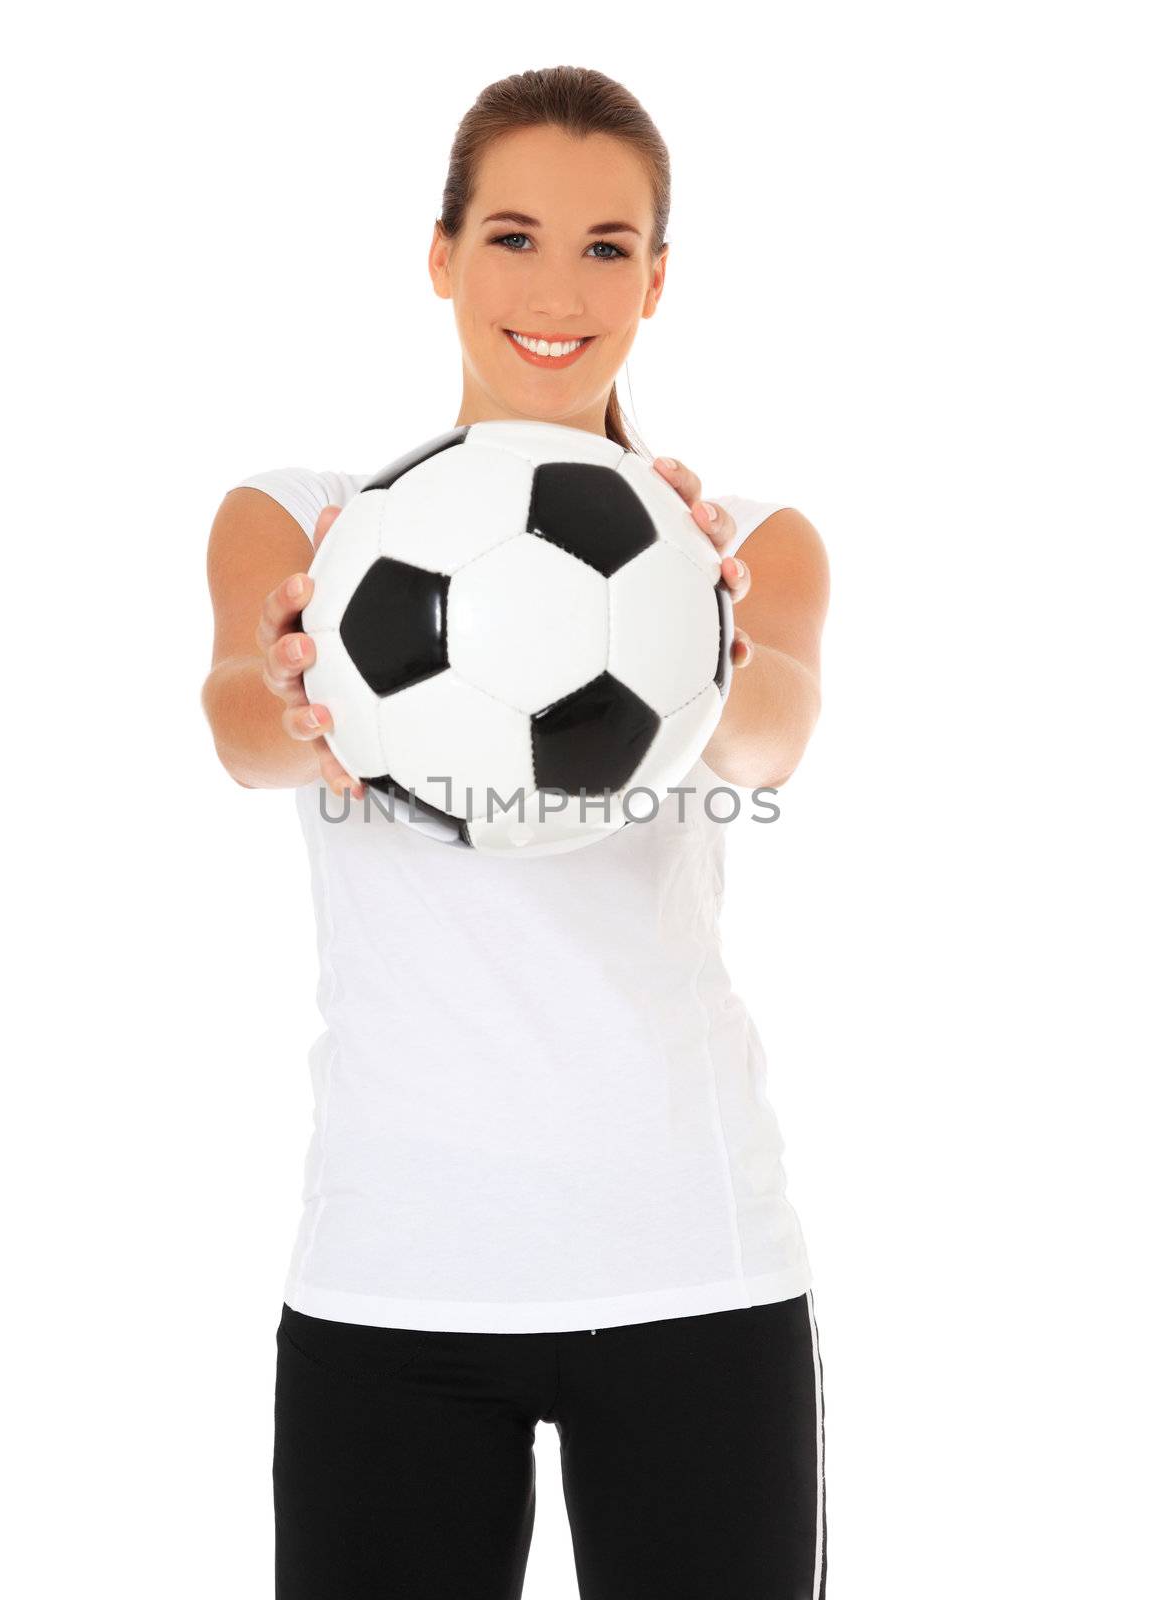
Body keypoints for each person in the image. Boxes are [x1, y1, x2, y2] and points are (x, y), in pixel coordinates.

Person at [202, 65, 831, 1600]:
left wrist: (711, 636)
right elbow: (234, 723)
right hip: (395, 1277)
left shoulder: (741, 543)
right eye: (514, 235)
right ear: (441, 255)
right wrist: (304, 695)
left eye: (610, 247)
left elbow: (773, 734)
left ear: (658, 281)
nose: (558, 289)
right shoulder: (307, 523)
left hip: (693, 1269)